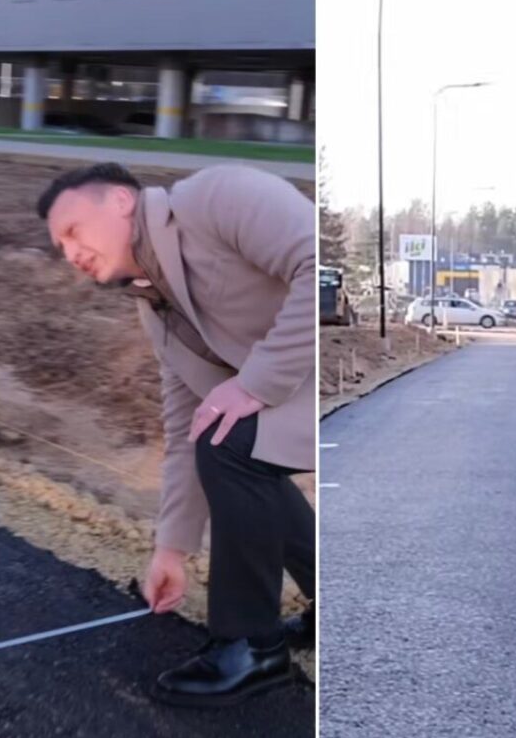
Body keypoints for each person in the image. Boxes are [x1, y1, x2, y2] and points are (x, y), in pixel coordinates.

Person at [36, 161, 315, 707]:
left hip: (325, 381)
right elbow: (187, 428)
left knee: (231, 439)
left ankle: (250, 645)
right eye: (59, 248)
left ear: (120, 200)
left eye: (72, 231)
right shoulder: (154, 309)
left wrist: (256, 384)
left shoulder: (217, 196)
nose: (70, 254)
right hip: (284, 402)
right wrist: (172, 550)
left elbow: (318, 266)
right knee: (225, 441)